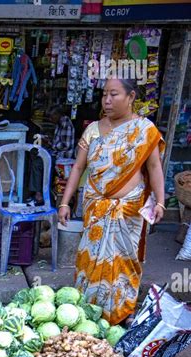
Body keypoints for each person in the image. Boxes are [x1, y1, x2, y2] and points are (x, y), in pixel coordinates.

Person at [58, 79, 165, 326]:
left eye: (113, 94)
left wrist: (160, 202)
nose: (106, 100)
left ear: (130, 97)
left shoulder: (144, 130)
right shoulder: (93, 130)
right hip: (96, 208)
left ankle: (122, 313)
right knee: (90, 260)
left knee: (124, 262)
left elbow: (154, 166)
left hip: (129, 210)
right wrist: (65, 202)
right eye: (104, 95)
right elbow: (78, 167)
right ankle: (88, 312)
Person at [27, 106, 75, 205]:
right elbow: (58, 141)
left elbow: (66, 145)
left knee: (38, 162)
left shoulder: (65, 123)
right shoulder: (59, 123)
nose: (50, 119)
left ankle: (38, 194)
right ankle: (36, 191)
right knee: (34, 154)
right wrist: (49, 140)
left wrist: (50, 143)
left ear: (58, 115)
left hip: (62, 156)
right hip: (56, 152)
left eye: (52, 117)